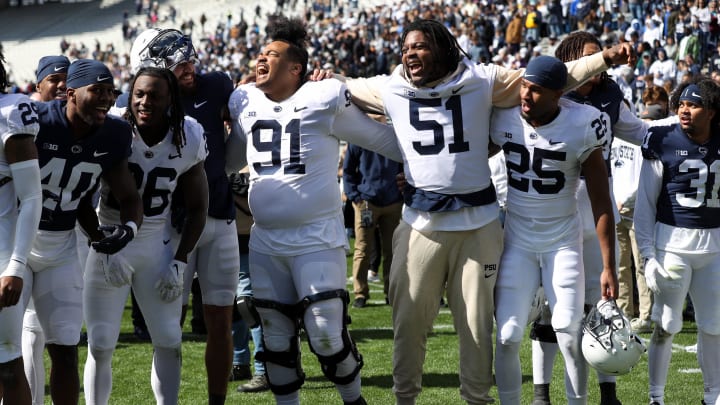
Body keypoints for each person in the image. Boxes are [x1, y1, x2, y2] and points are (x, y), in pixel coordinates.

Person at [314, 18, 635, 405]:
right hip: (421, 223)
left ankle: (480, 400)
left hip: (480, 224)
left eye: (419, 46)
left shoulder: (482, 80)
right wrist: (321, 78)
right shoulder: (392, 85)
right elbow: (343, 88)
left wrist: (604, 58)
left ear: (444, 48)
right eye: (405, 48)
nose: (409, 54)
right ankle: (405, 399)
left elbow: (554, 79)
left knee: (480, 328)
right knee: (409, 324)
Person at [225, 15, 403, 405]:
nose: (259, 59)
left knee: (325, 332)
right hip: (266, 239)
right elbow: (229, 159)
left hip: (316, 236)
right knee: (275, 337)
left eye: (270, 54)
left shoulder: (323, 97)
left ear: (296, 69)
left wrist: (428, 159)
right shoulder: (244, 101)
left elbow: (384, 140)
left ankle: (354, 400)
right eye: (259, 53)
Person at [491, 55, 618, 405]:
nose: (526, 95)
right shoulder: (502, 116)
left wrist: (608, 265)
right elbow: (468, 158)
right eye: (524, 87)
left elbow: (600, 199)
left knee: (567, 330)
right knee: (507, 334)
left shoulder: (583, 123)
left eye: (536, 90)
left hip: (562, 241)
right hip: (516, 241)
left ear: (558, 94)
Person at [82, 66, 208, 405]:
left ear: (171, 99)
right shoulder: (113, 131)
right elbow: (80, 195)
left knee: (168, 338)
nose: (144, 101)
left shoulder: (189, 135)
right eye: (139, 93)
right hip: (110, 240)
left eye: (154, 95)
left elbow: (198, 207)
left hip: (157, 243)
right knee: (101, 341)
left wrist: (181, 261)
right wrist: (103, 244)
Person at [130, 28, 240, 404]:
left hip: (220, 218)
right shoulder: (148, 106)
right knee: (168, 327)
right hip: (173, 226)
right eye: (179, 65)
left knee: (220, 322)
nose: (189, 68)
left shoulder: (217, 85)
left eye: (190, 60)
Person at [28, 59, 143, 405]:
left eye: (111, 92)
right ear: (70, 92)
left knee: (65, 348)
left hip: (61, 246)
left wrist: (128, 229)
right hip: (14, 243)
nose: (107, 99)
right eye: (98, 90)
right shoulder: (36, 122)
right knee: (10, 349)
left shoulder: (115, 133)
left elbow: (127, 196)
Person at [635, 78, 720, 405]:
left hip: (713, 246)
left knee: (713, 325)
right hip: (672, 243)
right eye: (682, 104)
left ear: (712, 112)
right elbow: (645, 203)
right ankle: (656, 397)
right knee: (666, 323)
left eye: (694, 104)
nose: (685, 110)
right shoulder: (662, 138)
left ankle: (712, 396)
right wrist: (647, 255)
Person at [23, 54, 69, 405]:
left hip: (65, 238)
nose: (62, 85)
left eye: (67, 78)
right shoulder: (23, 118)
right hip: (18, 236)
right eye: (54, 78)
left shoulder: (84, 122)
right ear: (38, 83)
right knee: (24, 333)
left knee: (58, 337)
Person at [0, 49, 42, 405]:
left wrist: (15, 265)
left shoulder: (11, 114)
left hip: (1, 257)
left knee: (7, 364)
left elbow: (31, 198)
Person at [342, 143, 403, 308]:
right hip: (366, 202)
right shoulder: (358, 139)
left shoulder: (394, 136)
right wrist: (355, 196)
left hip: (393, 201)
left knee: (392, 251)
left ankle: (391, 292)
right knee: (362, 249)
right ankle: (360, 292)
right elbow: (348, 171)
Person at [229, 166, 269, 393]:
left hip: (253, 239)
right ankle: (240, 362)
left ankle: (263, 370)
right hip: (224, 240)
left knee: (248, 305)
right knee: (232, 306)